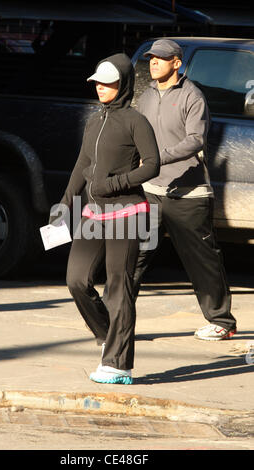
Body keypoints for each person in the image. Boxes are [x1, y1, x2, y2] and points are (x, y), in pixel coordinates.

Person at [49, 53, 160, 383]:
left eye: (108, 82)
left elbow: (152, 165)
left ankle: (119, 363)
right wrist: (65, 202)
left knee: (118, 288)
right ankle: (108, 336)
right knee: (76, 280)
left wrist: (114, 183)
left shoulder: (135, 121)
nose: (101, 87)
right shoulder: (94, 121)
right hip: (92, 214)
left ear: (123, 84)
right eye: (97, 81)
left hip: (127, 213)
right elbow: (82, 164)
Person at [133, 39, 237, 341]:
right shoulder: (147, 96)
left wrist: (158, 157)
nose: (153, 62)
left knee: (202, 261)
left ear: (177, 63)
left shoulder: (193, 97)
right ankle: (115, 318)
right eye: (151, 58)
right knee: (133, 256)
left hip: (188, 195)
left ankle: (221, 322)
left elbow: (195, 140)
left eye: (161, 59)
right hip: (150, 190)